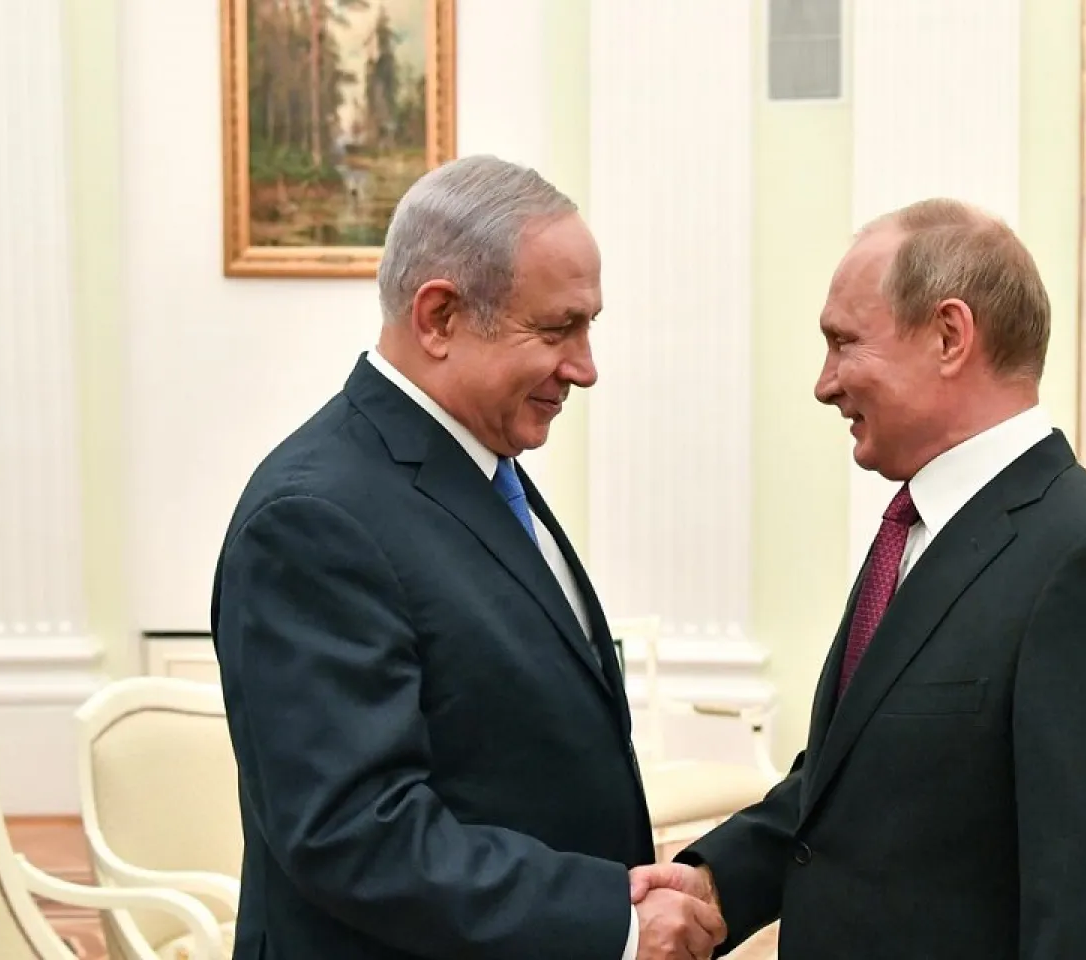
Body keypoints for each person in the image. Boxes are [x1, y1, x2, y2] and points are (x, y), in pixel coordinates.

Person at [632, 198, 1086, 958]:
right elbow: (852, 784)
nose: (824, 383)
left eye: (843, 343)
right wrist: (715, 880)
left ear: (949, 336)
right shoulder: (916, 529)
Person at [211, 155, 725, 960]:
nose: (585, 368)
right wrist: (611, 919)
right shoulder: (314, 518)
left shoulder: (482, 466)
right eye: (557, 330)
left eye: (589, 326)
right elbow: (354, 832)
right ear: (440, 317)